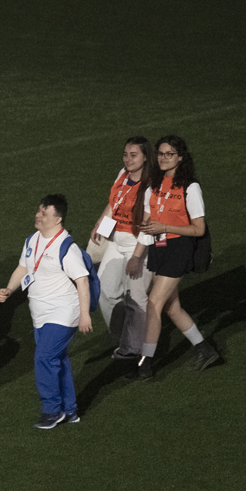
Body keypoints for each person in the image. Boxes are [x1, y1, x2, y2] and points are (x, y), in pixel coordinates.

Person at [0, 195, 92, 429]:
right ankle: (70, 410)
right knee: (57, 359)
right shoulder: (32, 240)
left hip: (63, 313)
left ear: (58, 219)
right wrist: (10, 288)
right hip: (39, 314)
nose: (38, 216)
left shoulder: (66, 248)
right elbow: (24, 266)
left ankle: (52, 410)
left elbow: (82, 281)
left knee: (44, 357)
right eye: (39, 211)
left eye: (44, 213)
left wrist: (85, 314)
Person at [131, 135, 219, 380]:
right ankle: (204, 349)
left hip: (179, 248)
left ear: (181, 157)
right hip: (160, 248)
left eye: (169, 154)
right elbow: (151, 219)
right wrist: (145, 234)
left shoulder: (190, 187)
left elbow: (198, 229)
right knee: (172, 307)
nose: (163, 158)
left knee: (153, 302)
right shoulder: (154, 185)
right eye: (160, 153)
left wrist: (165, 228)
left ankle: (145, 364)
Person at [89, 138, 153, 360]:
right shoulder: (122, 175)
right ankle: (122, 337)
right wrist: (101, 224)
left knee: (136, 299)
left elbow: (148, 222)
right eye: (125, 154)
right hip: (116, 241)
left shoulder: (151, 186)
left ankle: (133, 349)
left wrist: (137, 256)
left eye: (133, 155)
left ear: (145, 157)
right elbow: (114, 204)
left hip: (138, 245)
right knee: (105, 291)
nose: (128, 159)